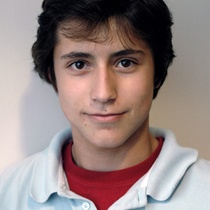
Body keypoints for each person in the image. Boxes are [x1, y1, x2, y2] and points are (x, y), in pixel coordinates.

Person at [0, 0, 210, 209]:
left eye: (125, 63)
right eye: (79, 64)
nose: (103, 94)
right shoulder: (9, 191)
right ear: (53, 76)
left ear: (157, 73)